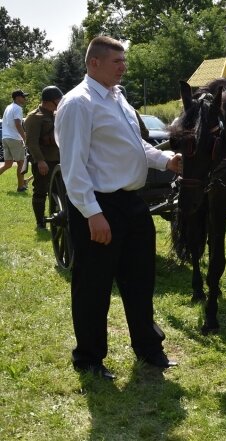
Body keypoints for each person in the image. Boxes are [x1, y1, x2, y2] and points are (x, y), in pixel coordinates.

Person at [54, 36, 182, 379]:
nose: (123, 67)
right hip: (99, 204)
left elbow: (136, 144)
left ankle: (149, 349)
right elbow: (73, 166)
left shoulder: (117, 97)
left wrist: (166, 160)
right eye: (117, 62)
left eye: (124, 61)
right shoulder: (78, 104)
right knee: (93, 285)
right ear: (93, 63)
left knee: (141, 279)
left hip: (131, 202)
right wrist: (92, 213)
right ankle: (89, 359)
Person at [23, 86, 63, 229]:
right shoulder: (34, 117)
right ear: (48, 101)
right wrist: (40, 161)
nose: (60, 102)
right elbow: (31, 142)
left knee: (59, 192)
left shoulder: (55, 114)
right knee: (40, 191)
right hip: (44, 160)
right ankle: (40, 222)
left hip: (58, 159)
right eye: (57, 100)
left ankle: (58, 219)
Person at [1, 89, 29, 191]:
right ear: (17, 98)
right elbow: (18, 124)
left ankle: (21, 184)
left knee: (8, 164)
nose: (25, 99)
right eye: (23, 97)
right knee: (21, 163)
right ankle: (20, 186)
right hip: (14, 138)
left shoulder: (8, 107)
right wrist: (24, 138)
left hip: (5, 138)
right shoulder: (18, 108)